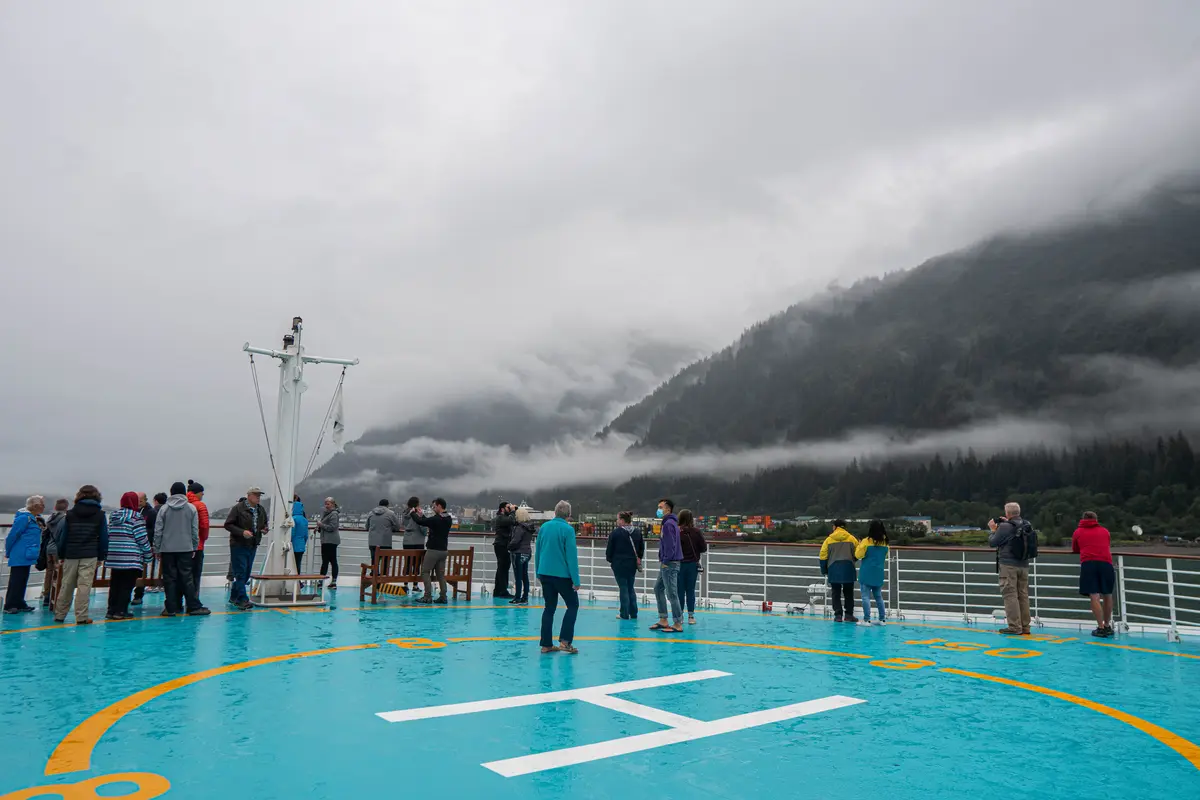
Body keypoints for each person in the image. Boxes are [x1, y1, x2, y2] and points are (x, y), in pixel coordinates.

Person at [54, 485, 109, 625]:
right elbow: (103, 537)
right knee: (84, 586)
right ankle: (82, 616)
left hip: (71, 553)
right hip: (90, 554)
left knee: (67, 585)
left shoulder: (71, 514)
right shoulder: (100, 514)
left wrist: (60, 555)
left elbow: (64, 536)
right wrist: (101, 556)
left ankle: (60, 615)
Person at [155, 481, 210, 617]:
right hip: (186, 548)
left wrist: (157, 549)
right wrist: (194, 547)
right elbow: (194, 530)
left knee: (169, 578)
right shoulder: (190, 508)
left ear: (171, 492)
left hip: (167, 549)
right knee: (187, 577)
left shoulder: (164, 509)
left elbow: (158, 530)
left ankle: (171, 608)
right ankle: (193, 606)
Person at [534, 500, 580, 654]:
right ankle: (565, 642)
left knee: (549, 608)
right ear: (568, 514)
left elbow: (538, 551)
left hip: (545, 573)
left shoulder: (544, 527)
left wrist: (538, 572)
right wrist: (576, 580)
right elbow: (571, 557)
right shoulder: (568, 530)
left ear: (555, 512)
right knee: (573, 605)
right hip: (563, 577)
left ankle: (546, 644)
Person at [988, 502, 1035, 635]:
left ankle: (1014, 626)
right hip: (1024, 564)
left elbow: (992, 542)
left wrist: (993, 529)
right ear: (1018, 512)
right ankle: (1025, 626)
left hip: (1008, 565)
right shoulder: (1027, 524)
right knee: (1023, 595)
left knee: (1010, 595)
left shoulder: (1004, 527)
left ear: (1007, 513)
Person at [106, 492, 152, 620]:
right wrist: (148, 555)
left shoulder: (113, 516)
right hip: (130, 557)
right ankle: (121, 611)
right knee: (126, 585)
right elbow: (141, 538)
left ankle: (111, 610)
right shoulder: (136, 517)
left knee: (115, 584)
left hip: (114, 557)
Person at [1073, 511, 1115, 638]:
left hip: (1089, 564)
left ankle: (1100, 627)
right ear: (1096, 519)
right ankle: (1107, 626)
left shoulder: (1078, 532)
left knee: (1094, 595)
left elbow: (1075, 549)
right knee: (1108, 594)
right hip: (1106, 563)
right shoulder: (1105, 531)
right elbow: (1107, 544)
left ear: (1083, 519)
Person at [225, 487, 269, 610]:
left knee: (246, 572)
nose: (258, 497)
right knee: (240, 572)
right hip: (238, 544)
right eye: (256, 495)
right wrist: (242, 532)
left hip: (253, 544)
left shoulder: (260, 510)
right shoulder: (238, 508)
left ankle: (234, 597)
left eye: (259, 495)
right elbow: (228, 524)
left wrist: (264, 529)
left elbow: (264, 523)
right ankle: (242, 600)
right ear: (249, 495)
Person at [4, 495, 45, 613]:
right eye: (42, 505)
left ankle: (20, 602)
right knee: (16, 579)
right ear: (35, 506)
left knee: (23, 578)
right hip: (20, 553)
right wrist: (8, 551)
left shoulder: (34, 518)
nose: (43, 508)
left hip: (28, 554)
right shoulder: (24, 518)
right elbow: (12, 535)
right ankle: (10, 604)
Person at [411, 498, 454, 604]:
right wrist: (422, 515)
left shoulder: (436, 519)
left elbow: (421, 522)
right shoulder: (448, 518)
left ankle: (427, 596)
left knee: (425, 572)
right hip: (443, 550)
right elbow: (430, 522)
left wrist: (413, 513)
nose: (433, 508)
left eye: (434, 506)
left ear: (439, 506)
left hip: (433, 550)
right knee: (440, 575)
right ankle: (443, 596)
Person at [650, 498, 683, 633]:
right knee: (658, 588)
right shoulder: (669, 523)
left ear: (667, 509)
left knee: (671, 593)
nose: (658, 510)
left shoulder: (669, 524)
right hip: (667, 563)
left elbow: (670, 545)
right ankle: (663, 619)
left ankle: (677, 622)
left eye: (660, 507)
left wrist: (665, 561)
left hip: (669, 563)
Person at [605, 511, 644, 621]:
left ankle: (624, 613)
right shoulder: (637, 532)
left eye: (618, 519)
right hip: (632, 564)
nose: (617, 521)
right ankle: (634, 612)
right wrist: (638, 558)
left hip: (619, 563)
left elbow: (609, 550)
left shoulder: (616, 533)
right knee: (630, 587)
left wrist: (611, 560)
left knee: (623, 588)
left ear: (622, 520)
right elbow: (641, 548)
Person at [820, 519, 859, 623]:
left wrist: (824, 570)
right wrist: (853, 560)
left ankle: (838, 615)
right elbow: (858, 553)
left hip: (833, 568)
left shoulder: (829, 540)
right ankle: (849, 615)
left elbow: (823, 555)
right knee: (849, 593)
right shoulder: (851, 538)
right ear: (844, 527)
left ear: (835, 527)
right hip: (848, 568)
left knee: (835, 593)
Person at [133, 492, 166, 605]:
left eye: (140, 500)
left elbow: (155, 529)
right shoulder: (133, 511)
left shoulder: (151, 513)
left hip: (146, 546)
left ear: (145, 500)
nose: (138, 503)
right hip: (133, 548)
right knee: (136, 571)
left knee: (143, 570)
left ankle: (138, 595)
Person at [855, 520, 889, 626]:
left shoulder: (866, 541)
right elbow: (885, 556)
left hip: (866, 572)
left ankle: (866, 619)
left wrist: (860, 544)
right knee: (878, 596)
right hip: (878, 572)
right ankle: (882, 619)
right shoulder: (885, 542)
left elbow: (858, 555)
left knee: (865, 596)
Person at [677, 509, 708, 625]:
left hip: (679, 564)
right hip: (692, 565)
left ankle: (679, 616)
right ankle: (691, 616)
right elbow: (703, 548)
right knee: (690, 590)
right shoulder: (696, 532)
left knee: (679, 590)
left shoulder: (677, 532)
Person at [40, 498, 69, 607]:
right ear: (66, 507)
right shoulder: (64, 519)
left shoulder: (51, 518)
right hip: (58, 549)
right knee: (59, 574)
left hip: (49, 548)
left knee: (49, 572)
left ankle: (46, 597)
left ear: (55, 507)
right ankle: (56, 597)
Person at [507, 507, 535, 605]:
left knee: (518, 576)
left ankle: (517, 597)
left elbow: (515, 540)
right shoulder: (529, 527)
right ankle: (525, 597)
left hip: (518, 553)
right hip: (527, 553)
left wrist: (509, 547)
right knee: (525, 575)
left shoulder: (519, 527)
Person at [186, 481, 210, 592]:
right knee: (195, 575)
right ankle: (193, 601)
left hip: (182, 546)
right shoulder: (200, 506)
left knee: (184, 575)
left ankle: (179, 601)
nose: (203, 495)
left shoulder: (183, 504)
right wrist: (203, 539)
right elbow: (204, 526)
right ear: (196, 493)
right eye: (201, 492)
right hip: (197, 546)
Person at [400, 496, 426, 594]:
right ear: (417, 504)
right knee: (416, 565)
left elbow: (404, 524)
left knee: (407, 563)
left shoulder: (405, 513)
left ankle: (405, 585)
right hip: (418, 542)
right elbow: (423, 528)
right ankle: (415, 585)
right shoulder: (419, 514)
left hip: (407, 541)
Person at [366, 499, 401, 566]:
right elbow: (397, 527)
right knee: (385, 563)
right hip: (385, 542)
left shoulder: (371, 513)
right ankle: (384, 575)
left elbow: (367, 526)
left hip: (373, 542)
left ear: (379, 504)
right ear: (387, 505)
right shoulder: (391, 513)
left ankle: (374, 573)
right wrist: (391, 528)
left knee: (374, 561)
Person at [492, 502, 516, 599]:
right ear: (502, 509)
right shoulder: (500, 517)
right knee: (503, 568)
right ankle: (502, 591)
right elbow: (511, 520)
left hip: (504, 545)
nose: (509, 509)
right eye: (507, 507)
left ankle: (498, 590)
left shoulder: (504, 517)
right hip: (501, 545)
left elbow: (513, 521)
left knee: (502, 568)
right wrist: (513, 511)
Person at [317, 497, 341, 589]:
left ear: (333, 504)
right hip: (326, 540)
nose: (326, 505)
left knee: (329, 561)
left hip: (330, 541)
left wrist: (321, 525)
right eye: (325, 503)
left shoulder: (334, 514)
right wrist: (319, 528)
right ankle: (327, 581)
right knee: (328, 561)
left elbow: (332, 527)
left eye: (328, 504)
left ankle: (324, 581)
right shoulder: (326, 514)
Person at [291, 495, 309, 573]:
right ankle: (298, 582)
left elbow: (292, 533)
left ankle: (293, 581)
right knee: (298, 564)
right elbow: (306, 535)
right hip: (301, 545)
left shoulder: (293, 519)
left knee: (291, 564)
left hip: (293, 545)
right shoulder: (305, 520)